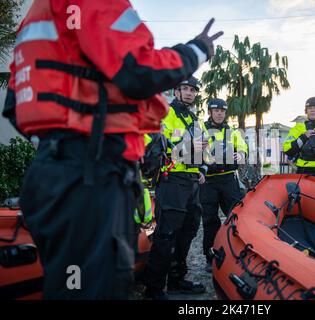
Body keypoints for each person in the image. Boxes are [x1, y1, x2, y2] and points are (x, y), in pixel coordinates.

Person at [2, 0, 222, 299]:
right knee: (92, 287)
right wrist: (198, 50)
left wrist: (61, 143)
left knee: (71, 284)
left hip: (51, 173)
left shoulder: (35, 19)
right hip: (93, 173)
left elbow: (14, 107)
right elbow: (139, 70)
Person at [145, 76, 210, 300]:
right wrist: (187, 147)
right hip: (171, 179)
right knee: (166, 234)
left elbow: (205, 148)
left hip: (192, 181)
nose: (190, 93)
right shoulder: (165, 114)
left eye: (193, 90)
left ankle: (176, 280)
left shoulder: (196, 119)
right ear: (176, 91)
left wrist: (202, 168)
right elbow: (156, 144)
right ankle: (153, 290)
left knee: (188, 231)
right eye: (185, 89)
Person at [200, 98, 248, 272]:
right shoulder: (201, 129)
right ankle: (210, 257)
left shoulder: (232, 131)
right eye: (216, 110)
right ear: (210, 112)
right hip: (208, 182)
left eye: (222, 110)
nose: (219, 113)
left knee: (236, 217)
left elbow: (242, 147)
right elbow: (194, 150)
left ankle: (237, 254)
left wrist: (241, 154)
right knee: (210, 221)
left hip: (229, 180)